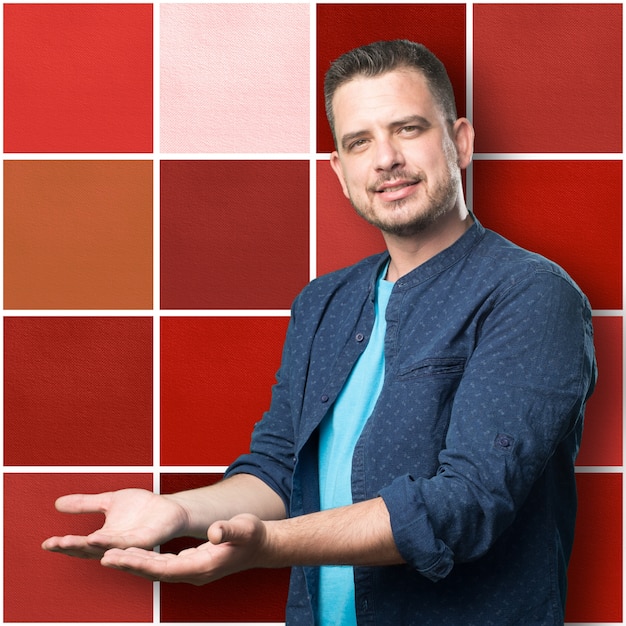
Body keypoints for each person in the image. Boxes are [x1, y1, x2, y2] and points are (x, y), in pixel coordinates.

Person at [43, 40, 597, 625]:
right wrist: (176, 513)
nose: (385, 159)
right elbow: (281, 473)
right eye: (360, 141)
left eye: (407, 129)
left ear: (459, 142)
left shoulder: (531, 294)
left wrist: (268, 547)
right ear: (340, 170)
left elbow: (465, 505)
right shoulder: (322, 303)